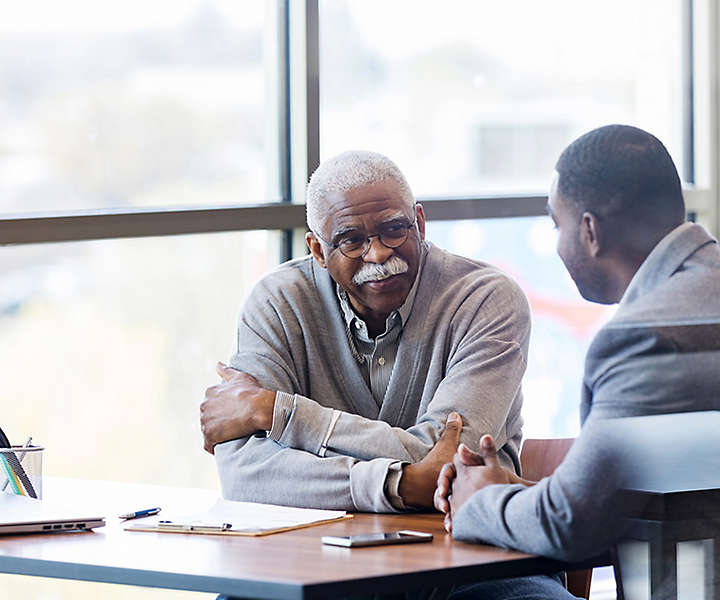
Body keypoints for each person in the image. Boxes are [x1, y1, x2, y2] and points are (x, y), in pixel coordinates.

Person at [435, 124, 720, 564]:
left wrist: (478, 503)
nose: (557, 244)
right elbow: (655, 497)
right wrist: (512, 493)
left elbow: (573, 525)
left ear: (590, 230)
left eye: (556, 223)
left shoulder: (641, 339)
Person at [200, 150, 531, 513]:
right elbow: (244, 473)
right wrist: (398, 485)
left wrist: (279, 413)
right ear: (318, 251)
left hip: (473, 557)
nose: (377, 255)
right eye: (351, 241)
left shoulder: (486, 299)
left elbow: (450, 457)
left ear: (419, 224)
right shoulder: (278, 302)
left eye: (393, 231)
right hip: (319, 559)